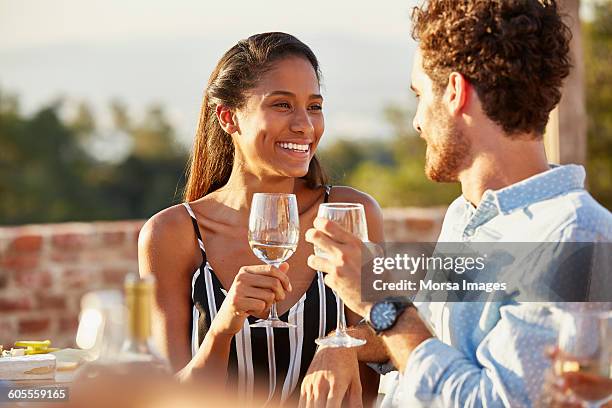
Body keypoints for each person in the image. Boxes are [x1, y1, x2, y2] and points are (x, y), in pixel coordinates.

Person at [303, 1, 612, 407]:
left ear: (454, 91)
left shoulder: (574, 236)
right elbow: (429, 338)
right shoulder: (467, 214)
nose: (416, 121)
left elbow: (493, 402)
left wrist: (379, 300)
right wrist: (342, 345)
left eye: (419, 94)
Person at [137, 32, 383, 406]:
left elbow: (393, 333)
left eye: (314, 106)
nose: (305, 125)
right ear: (228, 117)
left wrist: (344, 344)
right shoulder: (173, 233)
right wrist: (223, 326)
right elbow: (169, 398)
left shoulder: (349, 214)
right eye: (282, 105)